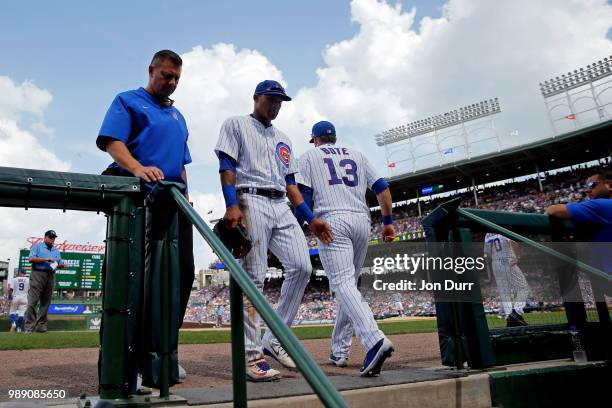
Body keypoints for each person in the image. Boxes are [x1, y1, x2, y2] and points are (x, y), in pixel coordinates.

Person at [214, 80, 333, 382]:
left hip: (281, 203)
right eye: (271, 99)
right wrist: (231, 204)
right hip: (249, 198)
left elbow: (292, 186)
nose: (276, 105)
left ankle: (274, 340)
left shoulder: (284, 139)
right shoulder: (236, 124)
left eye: (280, 100)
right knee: (253, 277)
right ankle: (251, 356)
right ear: (256, 98)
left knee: (302, 266)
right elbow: (227, 165)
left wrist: (310, 218)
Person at [96, 49, 194, 380]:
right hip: (137, 199)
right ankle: (127, 362)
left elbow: (181, 165)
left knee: (181, 274)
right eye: (166, 75)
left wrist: (188, 197)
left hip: (173, 200)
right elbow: (112, 143)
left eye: (177, 78)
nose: (172, 82)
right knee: (133, 280)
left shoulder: (179, 117)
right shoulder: (128, 100)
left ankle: (161, 352)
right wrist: (138, 168)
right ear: (151, 70)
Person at [297, 120, 395, 377]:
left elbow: (304, 197)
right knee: (348, 285)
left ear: (315, 139)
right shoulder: (358, 155)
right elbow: (383, 190)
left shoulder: (309, 156)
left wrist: (303, 223)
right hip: (362, 221)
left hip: (332, 221)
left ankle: (375, 340)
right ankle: (339, 350)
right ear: (334, 138)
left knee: (342, 284)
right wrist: (387, 223)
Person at [546, 169, 612, 323]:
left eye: (592, 184)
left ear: (609, 185)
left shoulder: (603, 205)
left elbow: (553, 210)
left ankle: (579, 335)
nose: (588, 189)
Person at [25, 230, 67, 333]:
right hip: (38, 274)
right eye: (50, 237)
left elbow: (60, 263)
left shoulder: (56, 251)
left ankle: (41, 327)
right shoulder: (38, 246)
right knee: (32, 302)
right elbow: (31, 259)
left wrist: (63, 265)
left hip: (51, 275)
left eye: (54, 238)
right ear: (45, 237)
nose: (52, 239)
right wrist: (45, 259)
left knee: (46, 303)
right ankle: (29, 327)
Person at [483, 233, 529, 327]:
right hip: (505, 259)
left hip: (495, 262)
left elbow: (487, 253)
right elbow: (513, 242)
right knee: (523, 288)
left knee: (504, 292)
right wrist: (518, 257)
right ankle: (517, 312)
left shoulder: (487, 235)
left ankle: (510, 318)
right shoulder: (500, 228)